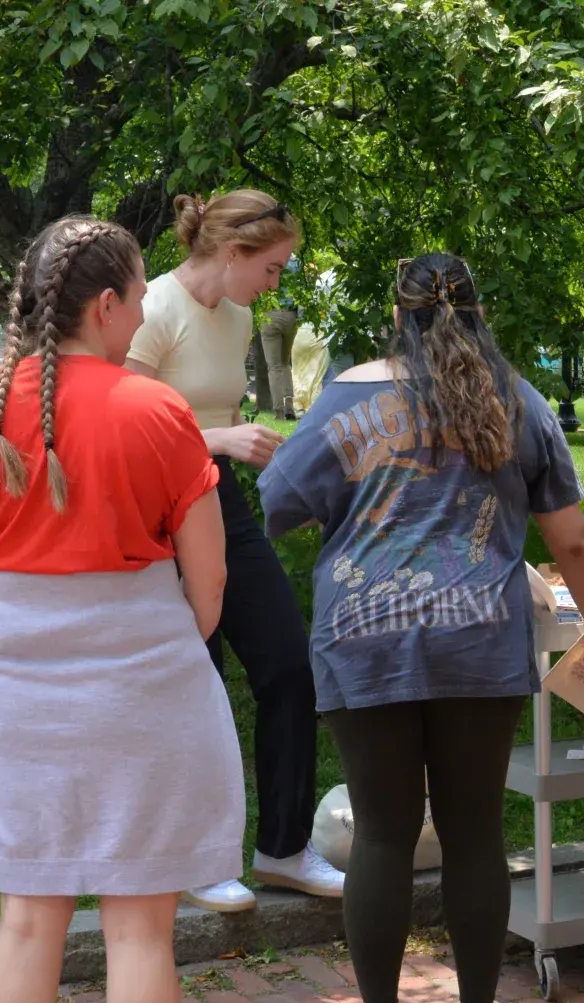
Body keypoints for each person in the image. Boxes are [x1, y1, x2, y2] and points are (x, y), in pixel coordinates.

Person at [258, 254, 584, 1003]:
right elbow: (568, 538)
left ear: (398, 311)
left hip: (362, 634)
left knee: (382, 833)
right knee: (473, 830)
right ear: (479, 310)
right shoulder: (517, 399)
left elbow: (277, 505)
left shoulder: (346, 393)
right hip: (478, 638)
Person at [0, 216, 243, 1003]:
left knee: (26, 922)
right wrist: (162, 652)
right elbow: (207, 582)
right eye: (140, 296)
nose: (145, 313)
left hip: (15, 690)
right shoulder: (156, 409)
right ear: (105, 304)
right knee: (141, 929)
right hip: (144, 684)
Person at [126, 190, 345, 909]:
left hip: (214, 498)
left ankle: (284, 849)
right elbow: (117, 424)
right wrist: (217, 438)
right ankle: (194, 857)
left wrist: (256, 450)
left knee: (288, 662)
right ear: (233, 253)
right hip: (153, 509)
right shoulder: (153, 309)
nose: (277, 283)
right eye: (274, 267)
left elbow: (214, 412)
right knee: (198, 678)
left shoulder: (240, 316)